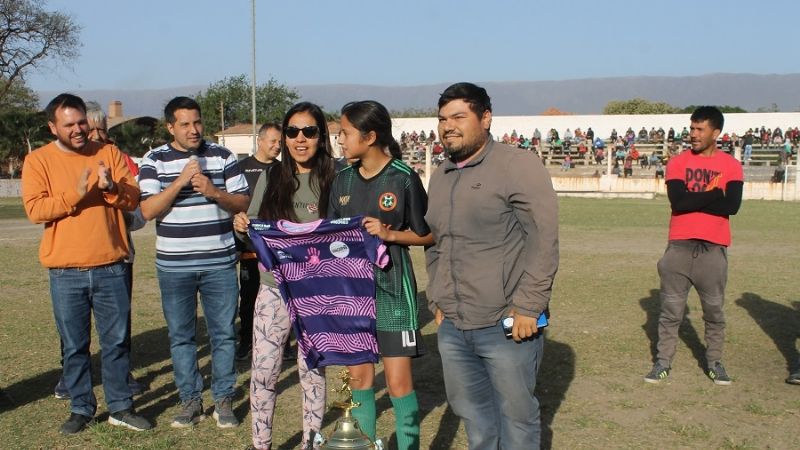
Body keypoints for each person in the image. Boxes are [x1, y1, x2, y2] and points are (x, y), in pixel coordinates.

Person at [425, 82, 559, 449]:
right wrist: (437, 300)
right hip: (454, 326)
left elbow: (543, 240)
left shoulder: (518, 166)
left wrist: (529, 306)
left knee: (517, 420)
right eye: (442, 119)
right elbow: (436, 242)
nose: (448, 126)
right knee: (476, 420)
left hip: (506, 324)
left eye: (458, 117)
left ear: (485, 118)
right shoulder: (441, 175)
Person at [21, 93, 151, 434]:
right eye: (69, 125)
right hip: (65, 272)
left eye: (82, 122)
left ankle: (121, 406)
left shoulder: (108, 153)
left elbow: (133, 197)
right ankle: (81, 407)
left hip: (111, 267)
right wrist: (74, 195)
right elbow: (36, 210)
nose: (79, 130)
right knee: (75, 345)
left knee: (117, 342)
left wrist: (110, 189)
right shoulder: (38, 161)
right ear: (53, 127)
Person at [138, 96, 250, 428]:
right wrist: (180, 182)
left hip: (219, 264)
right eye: (184, 124)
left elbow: (243, 200)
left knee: (224, 334)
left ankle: (224, 399)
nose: (193, 129)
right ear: (170, 127)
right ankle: (190, 401)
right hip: (174, 267)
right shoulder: (153, 159)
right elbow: (147, 211)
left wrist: (214, 191)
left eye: (197, 122)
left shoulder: (223, 155)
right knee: (181, 336)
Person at [329, 100, 433, 449]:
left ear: (369, 136)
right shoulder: (341, 179)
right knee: (359, 380)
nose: (340, 140)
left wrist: (389, 235)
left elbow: (428, 234)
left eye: (344, 133)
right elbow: (329, 236)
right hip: (351, 295)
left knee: (398, 383)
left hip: (392, 293)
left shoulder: (402, 178)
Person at [232, 102, 333, 450]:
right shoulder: (272, 176)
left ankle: (311, 444)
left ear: (321, 135)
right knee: (263, 373)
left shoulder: (335, 177)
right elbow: (253, 226)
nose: (299, 139)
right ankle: (261, 444)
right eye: (292, 131)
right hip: (273, 291)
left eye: (309, 131)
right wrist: (242, 224)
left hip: (316, 294)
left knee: (312, 374)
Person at [644, 106, 743, 386]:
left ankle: (715, 363)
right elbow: (679, 202)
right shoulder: (677, 163)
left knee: (714, 312)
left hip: (713, 249)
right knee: (670, 311)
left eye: (700, 129)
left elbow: (732, 206)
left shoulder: (731, 165)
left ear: (716, 132)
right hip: (679, 247)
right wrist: (713, 193)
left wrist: (695, 197)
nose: (693, 134)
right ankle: (662, 363)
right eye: (691, 128)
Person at [235, 123, 282, 362]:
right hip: (250, 248)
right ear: (260, 141)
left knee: (281, 297)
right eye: (273, 141)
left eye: (280, 142)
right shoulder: (242, 168)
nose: (277, 146)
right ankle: (246, 341)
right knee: (250, 297)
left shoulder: (282, 170)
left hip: (276, 250)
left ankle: (283, 342)